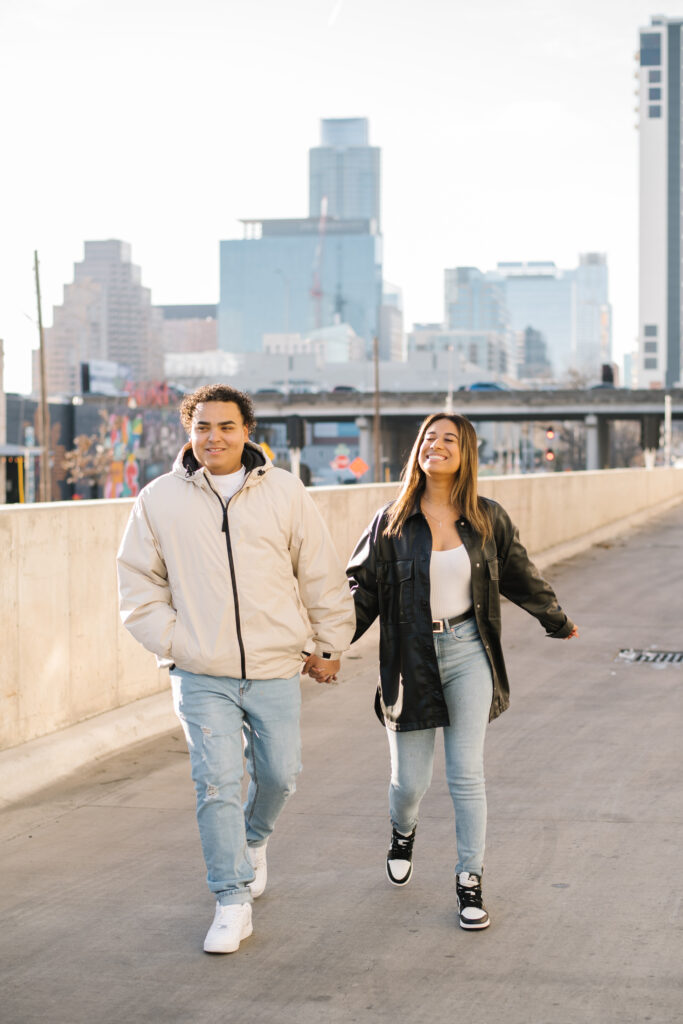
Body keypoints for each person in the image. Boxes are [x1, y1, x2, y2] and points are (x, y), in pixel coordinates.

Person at [117, 384, 355, 954]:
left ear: (248, 432)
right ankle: (230, 899)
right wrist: (179, 644)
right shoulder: (159, 498)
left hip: (275, 664)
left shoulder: (285, 492)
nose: (213, 438)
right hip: (200, 671)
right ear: (188, 432)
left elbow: (320, 573)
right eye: (202, 427)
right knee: (217, 781)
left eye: (225, 427)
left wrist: (330, 643)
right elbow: (138, 586)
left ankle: (253, 840)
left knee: (280, 774)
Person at [346, 413, 578, 930]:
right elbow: (361, 595)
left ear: (465, 452)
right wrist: (328, 646)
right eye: (429, 438)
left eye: (449, 438)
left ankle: (469, 881)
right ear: (418, 452)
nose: (438, 445)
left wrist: (554, 618)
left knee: (466, 774)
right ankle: (402, 832)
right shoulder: (391, 521)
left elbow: (519, 574)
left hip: (468, 648)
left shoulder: (487, 518)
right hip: (409, 657)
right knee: (409, 782)